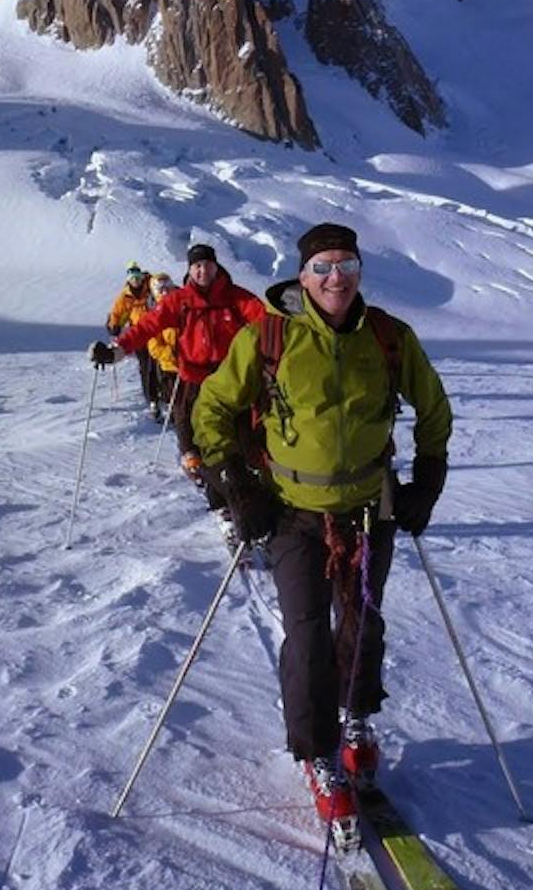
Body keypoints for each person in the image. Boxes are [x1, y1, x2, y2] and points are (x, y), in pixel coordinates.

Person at [190, 222, 452, 848]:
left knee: (361, 622)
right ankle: (319, 752)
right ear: (302, 277)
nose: (337, 277)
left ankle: (356, 720)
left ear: (360, 272)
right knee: (308, 636)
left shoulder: (388, 337)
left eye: (347, 265)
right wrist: (237, 487)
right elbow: (212, 409)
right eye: (323, 267)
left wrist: (428, 480)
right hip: (292, 512)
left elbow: (434, 408)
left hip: (369, 508)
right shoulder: (270, 335)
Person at [89, 243, 265, 501]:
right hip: (193, 375)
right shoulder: (179, 301)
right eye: (197, 266)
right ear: (190, 270)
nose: (203, 271)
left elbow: (266, 322)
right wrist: (118, 349)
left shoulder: (237, 298)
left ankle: (246, 478)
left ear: (216, 267)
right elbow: (147, 326)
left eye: (207, 265)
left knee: (240, 431)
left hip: (230, 379)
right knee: (186, 418)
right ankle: (198, 467)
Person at [106, 262, 156, 416]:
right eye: (132, 277)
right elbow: (117, 313)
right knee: (145, 365)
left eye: (138, 276)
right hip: (138, 334)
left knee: (159, 364)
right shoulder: (126, 296)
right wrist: (113, 325)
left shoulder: (152, 287)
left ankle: (161, 395)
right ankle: (151, 398)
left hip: (156, 332)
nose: (136, 280)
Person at [144, 272, 179, 422]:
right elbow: (154, 345)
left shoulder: (182, 303)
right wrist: (171, 353)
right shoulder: (154, 312)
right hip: (169, 365)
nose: (165, 292)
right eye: (160, 289)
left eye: (167, 287)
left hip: (189, 363)